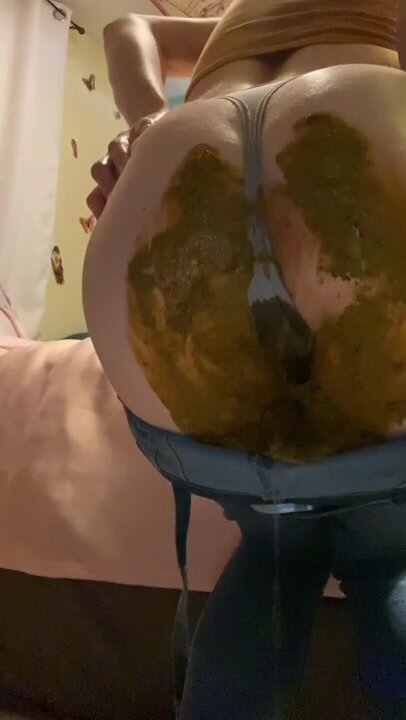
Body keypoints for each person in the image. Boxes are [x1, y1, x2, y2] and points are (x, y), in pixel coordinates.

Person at [85, 2, 406, 719]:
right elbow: (126, 24)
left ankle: (290, 543)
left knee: (273, 548)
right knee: (388, 552)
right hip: (371, 193)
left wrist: (148, 121)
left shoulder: (233, 20)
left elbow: (127, 29)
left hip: (177, 223)